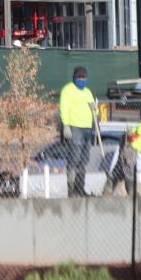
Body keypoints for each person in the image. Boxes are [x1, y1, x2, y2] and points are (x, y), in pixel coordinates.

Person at [58, 67, 97, 196]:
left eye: (83, 78)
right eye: (79, 78)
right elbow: (64, 107)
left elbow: (94, 110)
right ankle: (72, 190)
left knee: (84, 161)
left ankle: (81, 189)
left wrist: (95, 110)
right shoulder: (68, 90)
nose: (81, 80)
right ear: (74, 78)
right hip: (75, 128)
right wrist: (66, 125)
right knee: (74, 159)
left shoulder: (87, 92)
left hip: (87, 128)